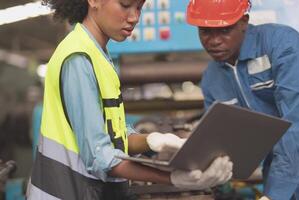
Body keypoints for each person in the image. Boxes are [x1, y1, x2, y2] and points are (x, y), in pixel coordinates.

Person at [26, 0, 233, 199]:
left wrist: (152, 141)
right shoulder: (78, 58)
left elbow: (113, 134)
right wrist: (172, 178)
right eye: (125, 5)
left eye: (140, 7)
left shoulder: (98, 54)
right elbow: (100, 157)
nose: (134, 17)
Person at [186, 0, 299, 199]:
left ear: (244, 21)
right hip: (277, 165)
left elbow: (297, 122)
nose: (214, 41)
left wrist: (275, 194)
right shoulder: (212, 79)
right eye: (206, 32)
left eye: (224, 30)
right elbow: (224, 144)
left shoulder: (281, 43)